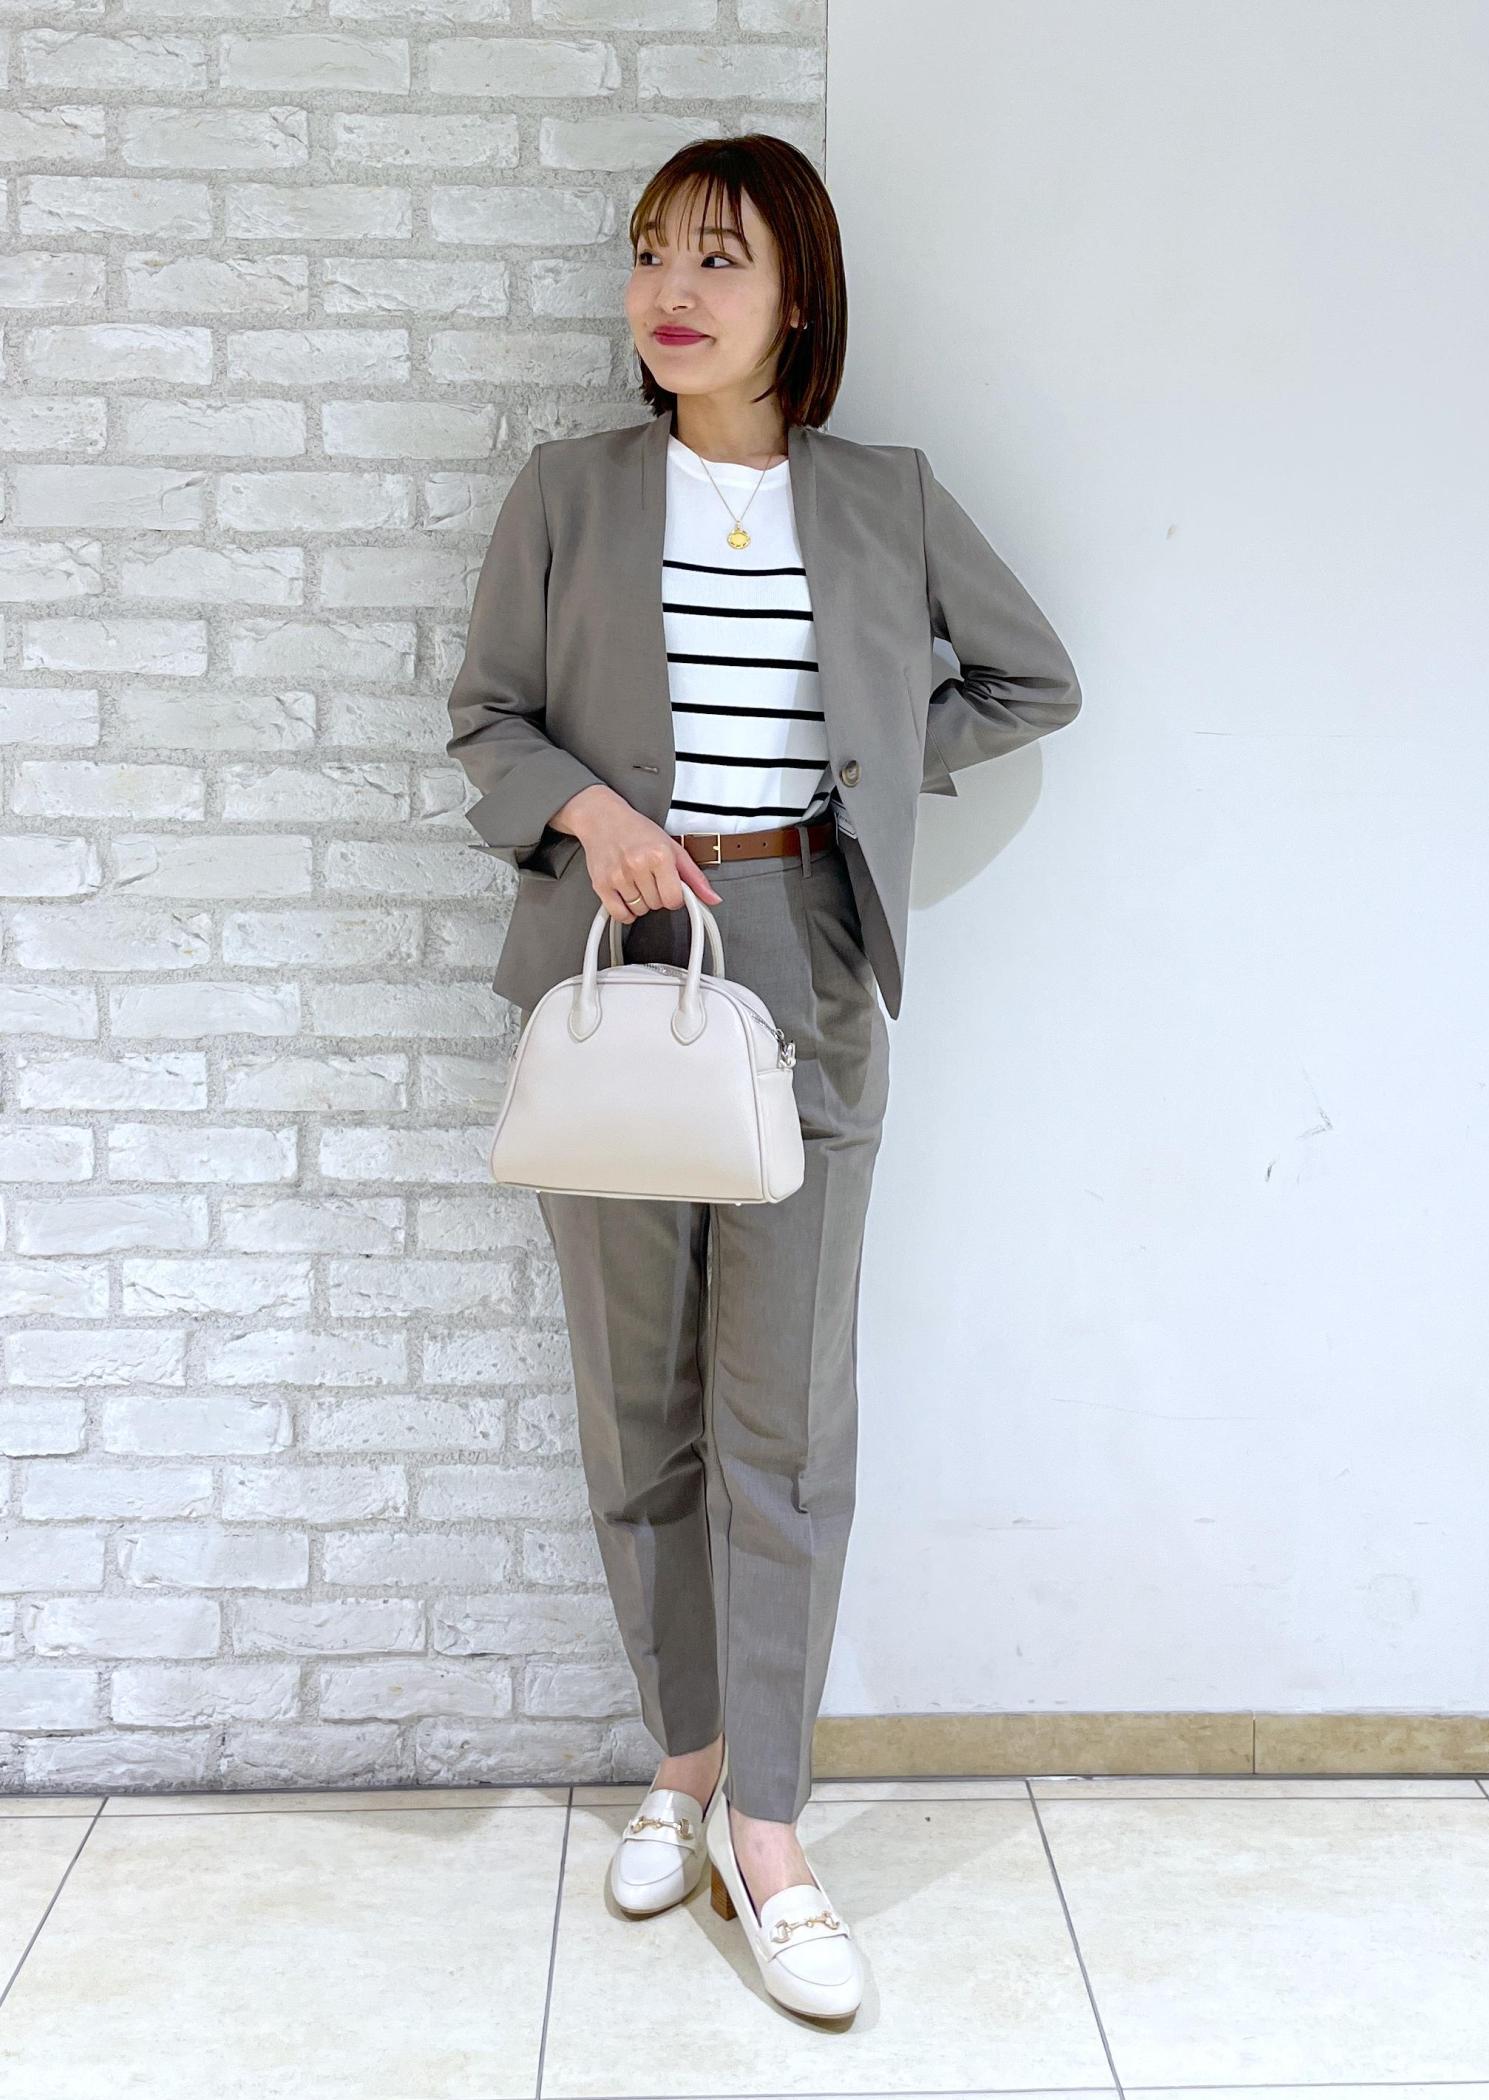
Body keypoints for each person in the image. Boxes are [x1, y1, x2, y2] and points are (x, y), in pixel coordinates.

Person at [445, 133, 1082, 2021]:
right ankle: (685, 1761)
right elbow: (489, 715)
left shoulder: (884, 498)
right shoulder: (569, 490)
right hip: (616, 969)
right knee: (637, 1412)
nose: (674, 290)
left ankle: (773, 1834)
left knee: (785, 1423)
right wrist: (592, 814)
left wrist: (863, 775)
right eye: (653, 253)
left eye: (719, 258)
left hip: (804, 960)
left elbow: (1030, 680)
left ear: (799, 296)